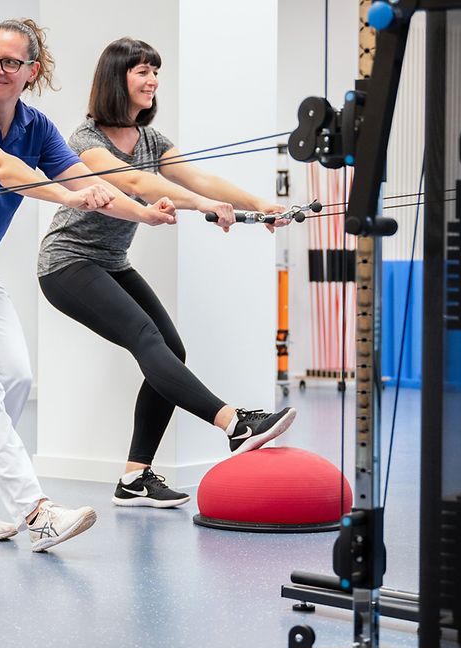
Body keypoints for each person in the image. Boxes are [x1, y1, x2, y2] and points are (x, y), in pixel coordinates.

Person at [0, 19, 176, 552]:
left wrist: (144, 213)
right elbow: (1, 169)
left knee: (15, 378)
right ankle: (36, 511)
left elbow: (85, 179)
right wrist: (68, 198)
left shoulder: (37, 125)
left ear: (31, 71)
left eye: (10, 62)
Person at [37, 38, 297, 510]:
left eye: (156, 71)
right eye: (142, 71)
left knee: (169, 347)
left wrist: (261, 205)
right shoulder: (85, 141)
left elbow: (196, 178)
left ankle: (135, 477)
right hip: (67, 263)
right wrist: (201, 206)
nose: (153, 80)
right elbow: (135, 182)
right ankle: (234, 423)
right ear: (116, 79)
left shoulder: (152, 140)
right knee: (144, 336)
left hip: (111, 263)